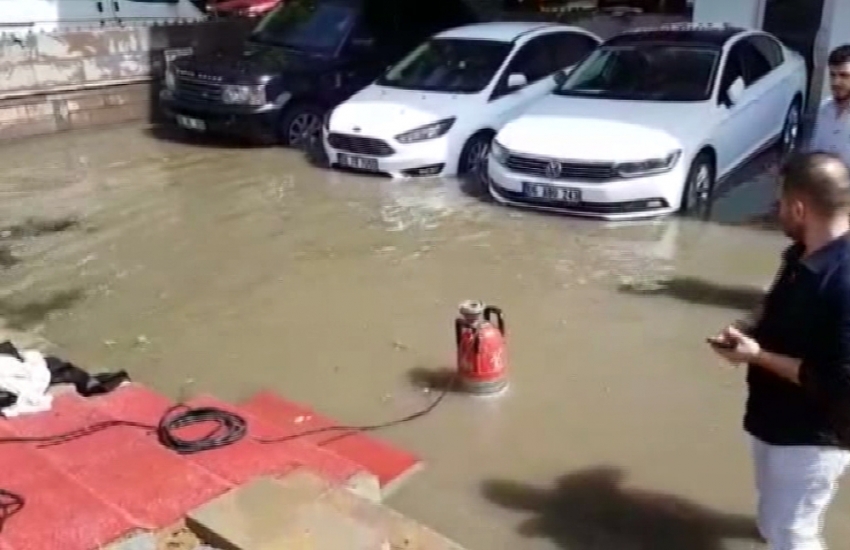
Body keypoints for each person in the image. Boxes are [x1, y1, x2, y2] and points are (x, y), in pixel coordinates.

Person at [708, 152, 850, 550]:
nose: (776, 211)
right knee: (772, 520)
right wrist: (746, 329)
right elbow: (776, 303)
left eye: (781, 203)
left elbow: (839, 382)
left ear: (800, 208)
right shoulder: (800, 253)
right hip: (774, 420)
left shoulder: (843, 282)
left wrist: (757, 357)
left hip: (814, 437)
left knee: (794, 533)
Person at [807, 45, 850, 166]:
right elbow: (815, 152)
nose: (836, 82)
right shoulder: (825, 109)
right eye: (832, 75)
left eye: (844, 75)